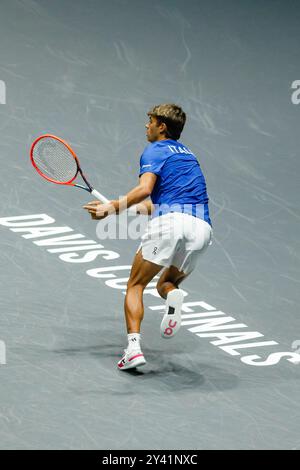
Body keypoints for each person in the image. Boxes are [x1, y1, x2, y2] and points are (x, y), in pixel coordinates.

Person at [83, 104, 213, 371]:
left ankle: (133, 350)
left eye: (150, 121)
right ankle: (173, 296)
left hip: (170, 224)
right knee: (166, 283)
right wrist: (121, 209)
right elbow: (157, 203)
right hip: (201, 228)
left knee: (135, 285)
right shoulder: (189, 156)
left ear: (162, 126)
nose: (147, 126)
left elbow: (145, 190)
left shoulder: (155, 149)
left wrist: (112, 208)